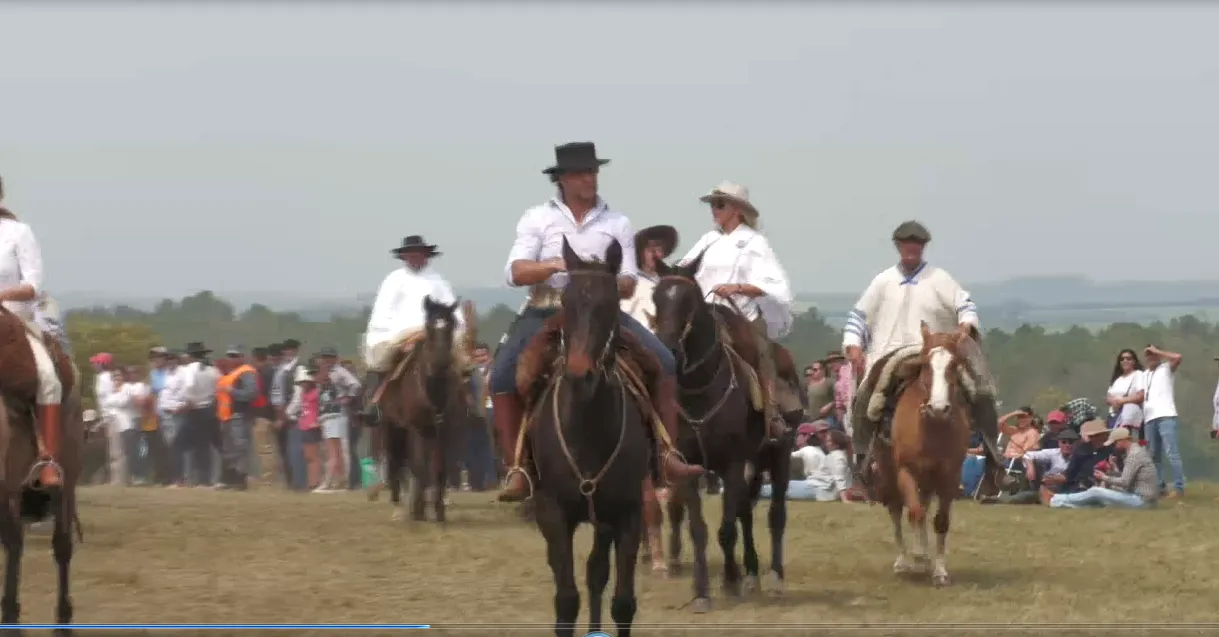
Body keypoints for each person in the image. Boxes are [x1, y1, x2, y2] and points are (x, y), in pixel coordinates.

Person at [490, 141, 702, 502]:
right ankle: (518, 469)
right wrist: (556, 266)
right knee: (502, 376)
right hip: (547, 308)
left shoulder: (617, 222)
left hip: (601, 312)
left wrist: (598, 279)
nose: (591, 178)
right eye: (582, 173)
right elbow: (515, 271)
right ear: (562, 180)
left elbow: (630, 280)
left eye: (593, 172)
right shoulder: (537, 218)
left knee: (664, 362)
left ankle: (667, 455)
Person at [842, 220, 1001, 491]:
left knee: (981, 392)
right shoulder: (883, 281)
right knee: (868, 395)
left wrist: (966, 324)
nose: (911, 248)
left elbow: (966, 305)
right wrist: (853, 345)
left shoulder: (940, 278)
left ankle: (993, 463)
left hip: (936, 349)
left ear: (923, 246)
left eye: (916, 244)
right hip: (891, 351)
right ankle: (863, 460)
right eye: (906, 243)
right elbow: (858, 316)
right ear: (898, 246)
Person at [676, 181, 797, 440]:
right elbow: (684, 269)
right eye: (712, 205)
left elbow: (774, 284)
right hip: (706, 314)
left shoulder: (755, 242)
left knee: (760, 352)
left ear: (737, 209)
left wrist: (737, 287)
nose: (714, 210)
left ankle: (772, 411)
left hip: (741, 314)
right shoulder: (708, 240)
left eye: (719, 204)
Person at [0, 176, 66, 487]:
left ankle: (48, 461)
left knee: (49, 380)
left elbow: (33, 285)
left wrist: (2, 296)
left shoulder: (18, 233)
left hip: (14, 323)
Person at [359, 235, 467, 424]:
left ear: (426, 255)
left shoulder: (438, 281)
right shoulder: (394, 279)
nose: (416, 258)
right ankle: (372, 405)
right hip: (402, 333)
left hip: (435, 332)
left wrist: (452, 329)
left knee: (464, 363)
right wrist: (399, 337)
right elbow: (383, 312)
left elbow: (452, 309)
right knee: (382, 362)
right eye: (411, 254)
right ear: (405, 257)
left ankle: (471, 403)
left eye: (419, 254)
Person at [1049, 427, 1158, 509]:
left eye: (1115, 443)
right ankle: (1060, 503)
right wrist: (1114, 469)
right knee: (1100, 498)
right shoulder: (1137, 452)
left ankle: (1056, 498)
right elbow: (1129, 479)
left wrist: (1104, 477)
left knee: (1096, 492)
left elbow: (1125, 482)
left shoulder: (1134, 455)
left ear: (1121, 441)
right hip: (1145, 499)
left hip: (1142, 500)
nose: (1114, 447)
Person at [1142, 344, 1184, 498]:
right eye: (1148, 355)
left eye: (1153, 354)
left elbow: (1178, 357)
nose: (1151, 357)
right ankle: (1160, 486)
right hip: (1149, 418)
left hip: (1166, 415)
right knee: (1153, 455)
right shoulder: (1144, 374)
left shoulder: (1166, 368)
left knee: (1171, 452)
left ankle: (1179, 487)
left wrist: (1158, 351)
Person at [620, 224, 677, 328]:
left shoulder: (667, 283)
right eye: (651, 250)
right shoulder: (629, 279)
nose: (656, 254)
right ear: (641, 251)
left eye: (660, 250)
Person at [1106, 348, 1146, 435]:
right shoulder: (1117, 379)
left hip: (1129, 418)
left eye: (1128, 358)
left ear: (1134, 361)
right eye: (1122, 359)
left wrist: (1122, 401)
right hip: (1114, 416)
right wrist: (1113, 402)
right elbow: (1108, 396)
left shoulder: (1138, 374)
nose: (1125, 361)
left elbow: (1140, 395)